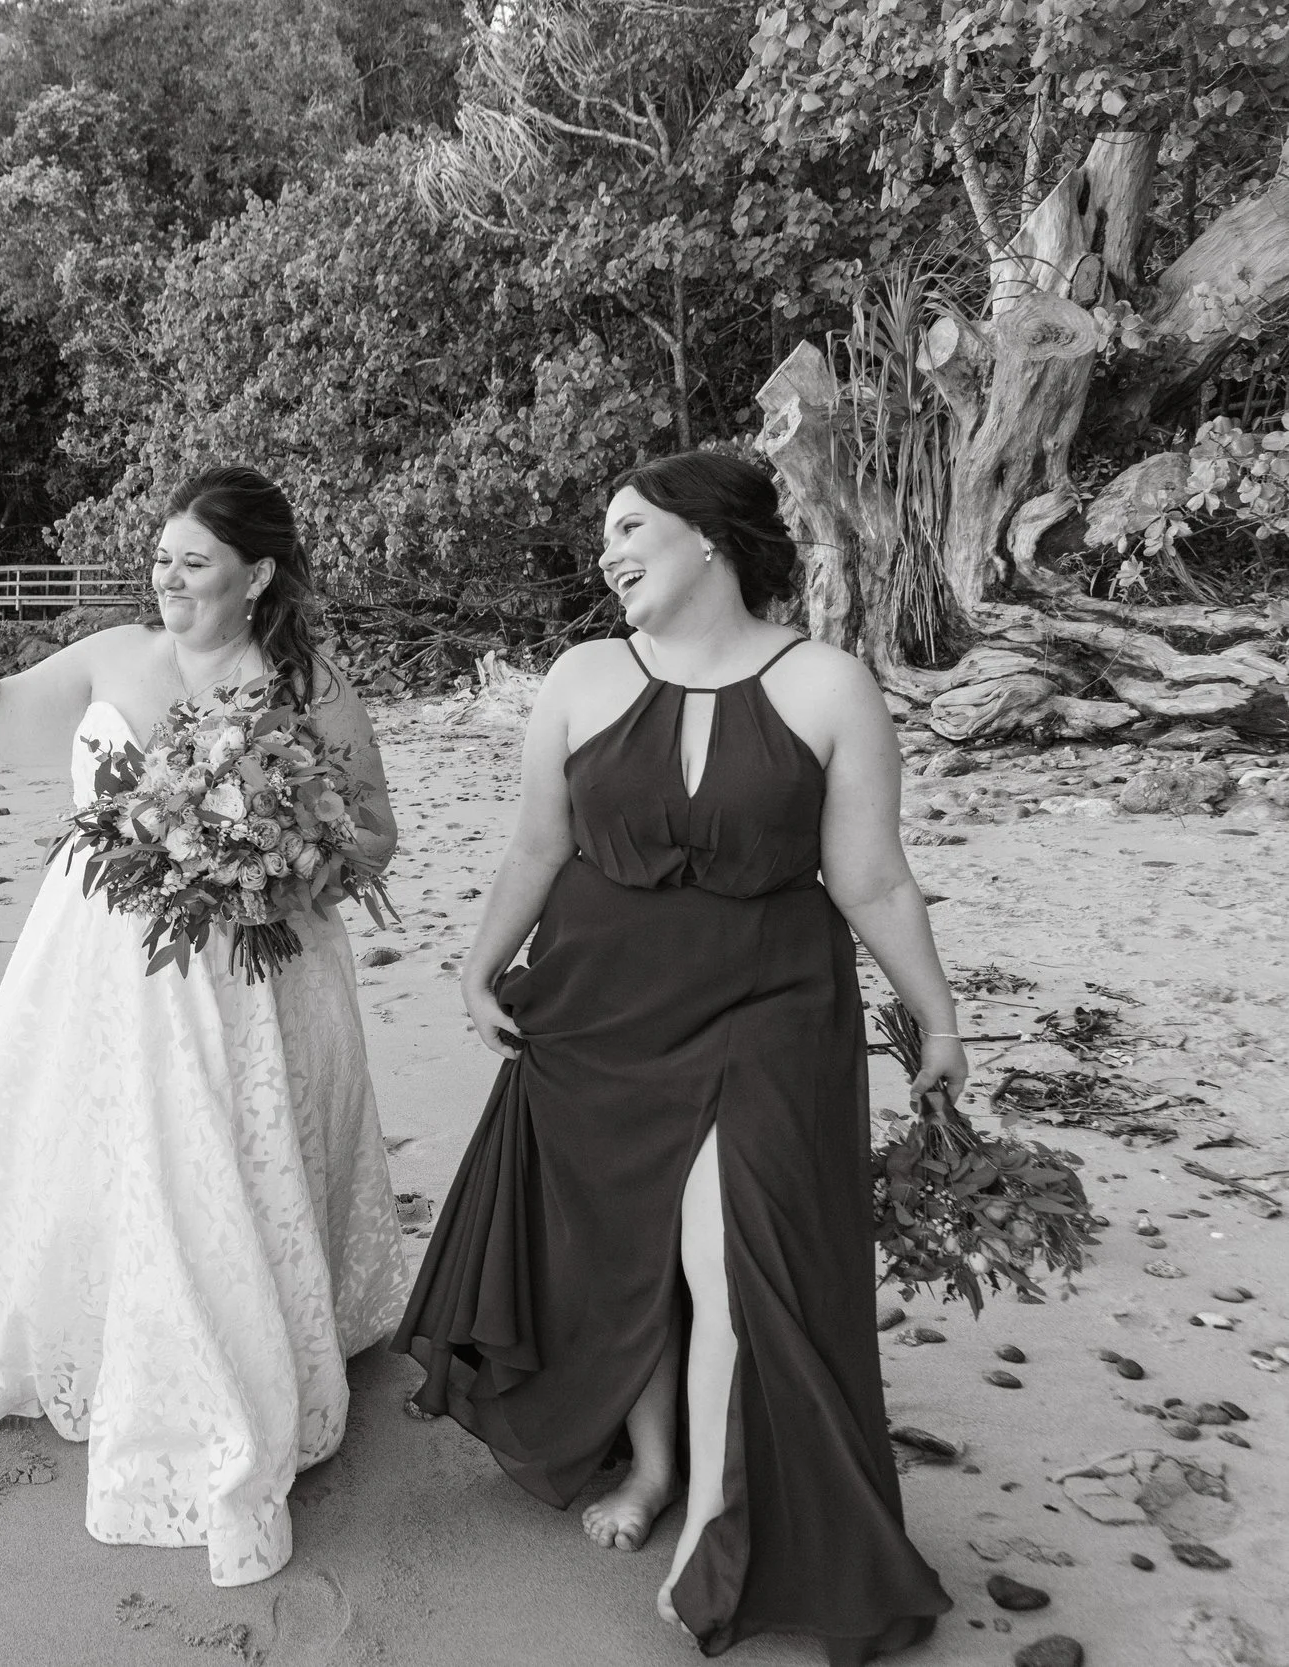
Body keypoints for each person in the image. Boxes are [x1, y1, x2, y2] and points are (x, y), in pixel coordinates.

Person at [394, 452, 956, 1660]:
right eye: (605, 529)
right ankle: (653, 1465)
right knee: (623, 1248)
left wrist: (937, 1017)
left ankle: (715, 1514)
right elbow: (535, 849)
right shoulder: (581, 676)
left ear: (707, 537)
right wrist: (475, 965)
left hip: (771, 1004)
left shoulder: (828, 683)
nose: (609, 549)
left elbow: (868, 875)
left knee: (729, 1250)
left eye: (629, 524)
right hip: (599, 1008)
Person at [0, 466, 407, 1588]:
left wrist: (272, 863)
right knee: (117, 1161)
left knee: (221, 1165)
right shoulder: (112, 655)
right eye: (160, 558)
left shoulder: (304, 681)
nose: (168, 578)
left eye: (194, 561)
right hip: (100, 960)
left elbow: (375, 834)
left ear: (256, 576)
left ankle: (233, 1370)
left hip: (253, 975)